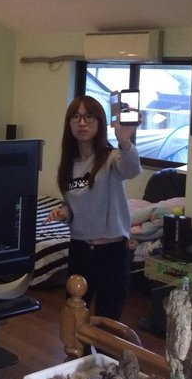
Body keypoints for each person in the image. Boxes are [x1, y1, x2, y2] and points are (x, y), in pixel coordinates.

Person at [47, 95, 141, 320]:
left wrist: (125, 141)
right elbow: (72, 206)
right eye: (76, 117)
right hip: (80, 250)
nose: (82, 123)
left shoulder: (111, 158)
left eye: (89, 117)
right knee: (75, 318)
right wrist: (64, 213)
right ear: (69, 123)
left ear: (99, 122)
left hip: (112, 252)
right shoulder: (68, 165)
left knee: (108, 321)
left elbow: (132, 170)